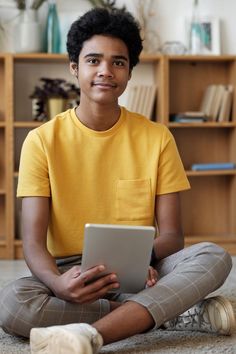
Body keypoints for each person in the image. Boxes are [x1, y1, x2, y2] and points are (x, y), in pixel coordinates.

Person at [0, 7, 235, 354]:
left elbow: (172, 235)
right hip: (71, 268)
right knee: (13, 303)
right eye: (93, 60)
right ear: (74, 68)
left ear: (129, 72)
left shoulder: (157, 137)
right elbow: (33, 243)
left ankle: (92, 336)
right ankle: (171, 314)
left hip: (145, 264)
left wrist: (141, 262)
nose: (105, 72)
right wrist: (58, 284)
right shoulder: (41, 140)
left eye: (118, 62)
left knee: (214, 256)